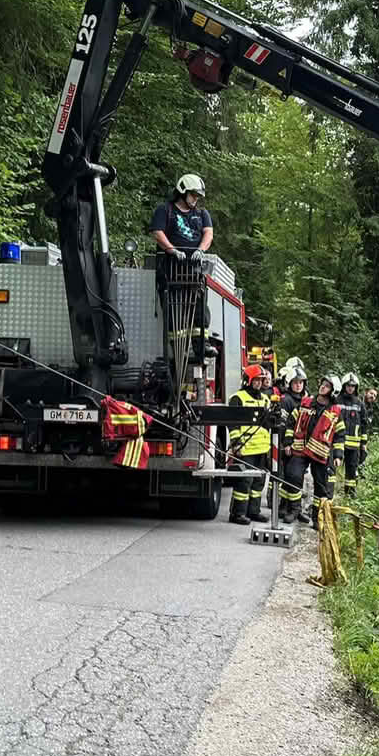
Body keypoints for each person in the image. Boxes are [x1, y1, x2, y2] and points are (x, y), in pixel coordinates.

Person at [150, 173, 215, 362]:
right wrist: (172, 250)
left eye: (198, 196)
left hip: (193, 269)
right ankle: (178, 349)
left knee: (199, 305)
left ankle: (201, 344)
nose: (195, 199)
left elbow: (208, 234)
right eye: (193, 195)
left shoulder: (202, 214)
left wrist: (201, 250)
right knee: (173, 308)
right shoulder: (165, 210)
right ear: (182, 192)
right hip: (171, 268)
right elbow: (157, 232)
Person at [282, 374, 345, 527]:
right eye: (322, 384)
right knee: (292, 475)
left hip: (320, 453)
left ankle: (317, 518)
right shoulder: (306, 403)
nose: (323, 387)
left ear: (333, 391)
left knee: (321, 485)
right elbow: (291, 423)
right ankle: (294, 510)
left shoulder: (335, 411)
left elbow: (340, 434)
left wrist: (337, 454)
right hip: (300, 449)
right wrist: (288, 442)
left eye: (327, 386)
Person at [226, 363, 273, 525]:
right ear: (248, 380)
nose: (259, 383)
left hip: (262, 449)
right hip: (245, 448)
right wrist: (236, 444)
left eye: (261, 380)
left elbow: (269, 425)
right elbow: (232, 424)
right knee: (244, 481)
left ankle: (254, 512)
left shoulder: (266, 399)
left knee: (259, 482)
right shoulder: (238, 398)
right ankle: (237, 514)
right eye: (256, 380)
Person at [274, 362, 311, 521]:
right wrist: (285, 444)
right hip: (288, 445)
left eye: (301, 383)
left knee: (296, 476)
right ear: (290, 384)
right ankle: (287, 506)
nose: (298, 385)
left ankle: (288, 506)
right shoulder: (286, 400)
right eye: (295, 383)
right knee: (289, 476)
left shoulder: (307, 400)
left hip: (303, 446)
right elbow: (282, 424)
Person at [336, 371, 365, 499]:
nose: (350, 388)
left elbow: (364, 425)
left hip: (354, 446)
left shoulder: (359, 403)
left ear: (356, 388)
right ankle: (327, 494)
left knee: (351, 471)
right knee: (331, 469)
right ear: (343, 386)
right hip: (337, 443)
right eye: (348, 385)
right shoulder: (336, 401)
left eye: (353, 386)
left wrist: (364, 443)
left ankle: (350, 495)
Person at [361, 386, 378, 468]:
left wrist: (364, 442)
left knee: (363, 452)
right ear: (366, 392)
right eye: (371, 393)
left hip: (361, 433)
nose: (372, 396)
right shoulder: (357, 401)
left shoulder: (370, 410)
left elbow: (366, 425)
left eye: (374, 396)